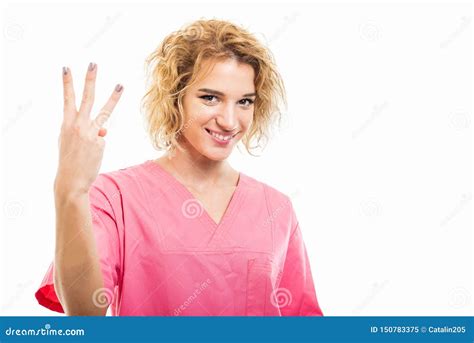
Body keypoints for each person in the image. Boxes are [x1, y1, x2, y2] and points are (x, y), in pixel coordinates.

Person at [35, 19, 324, 316]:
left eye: (244, 102)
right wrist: (70, 189)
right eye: (210, 98)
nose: (229, 120)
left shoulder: (275, 208)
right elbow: (85, 313)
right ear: (176, 98)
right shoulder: (115, 197)